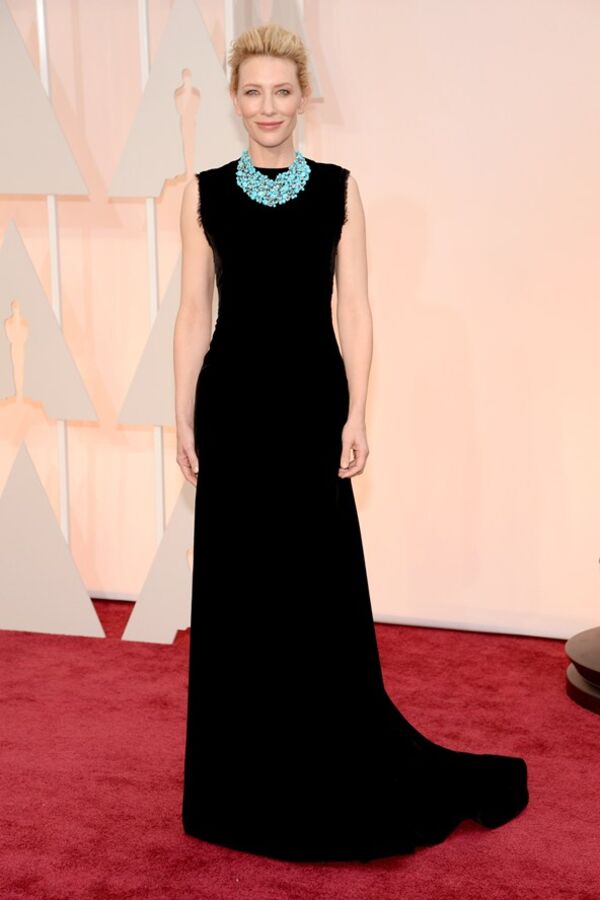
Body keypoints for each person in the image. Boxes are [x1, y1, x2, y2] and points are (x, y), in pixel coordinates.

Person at [174, 23, 529, 863]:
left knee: (314, 589)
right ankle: (240, 785)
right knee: (239, 587)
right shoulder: (200, 194)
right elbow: (192, 313)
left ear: (305, 97)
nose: (268, 107)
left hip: (310, 406)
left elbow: (357, 310)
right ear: (235, 100)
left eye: (282, 91)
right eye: (253, 92)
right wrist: (181, 415)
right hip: (233, 408)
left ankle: (328, 763)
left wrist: (359, 412)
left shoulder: (339, 189)